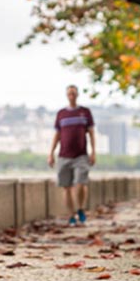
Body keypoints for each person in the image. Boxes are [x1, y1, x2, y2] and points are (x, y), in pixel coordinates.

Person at [48, 85, 96, 226]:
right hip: (63, 155)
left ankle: (80, 209)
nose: (71, 95)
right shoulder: (61, 114)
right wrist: (51, 153)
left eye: (73, 93)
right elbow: (57, 135)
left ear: (77, 94)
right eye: (69, 93)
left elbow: (92, 133)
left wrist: (93, 151)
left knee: (81, 183)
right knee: (66, 187)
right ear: (66, 95)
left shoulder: (85, 112)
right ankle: (71, 215)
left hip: (81, 155)